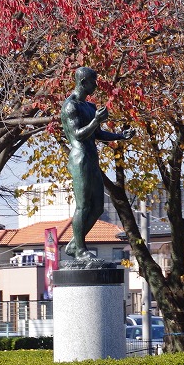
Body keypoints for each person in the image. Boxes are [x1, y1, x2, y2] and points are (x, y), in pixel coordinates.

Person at [61, 66, 132, 263]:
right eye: (93, 81)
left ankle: (75, 243)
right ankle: (80, 249)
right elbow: (77, 135)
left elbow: (97, 134)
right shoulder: (70, 106)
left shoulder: (90, 107)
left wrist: (119, 135)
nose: (96, 85)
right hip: (79, 159)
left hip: (92, 159)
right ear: (83, 83)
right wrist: (96, 121)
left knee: (98, 207)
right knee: (83, 206)